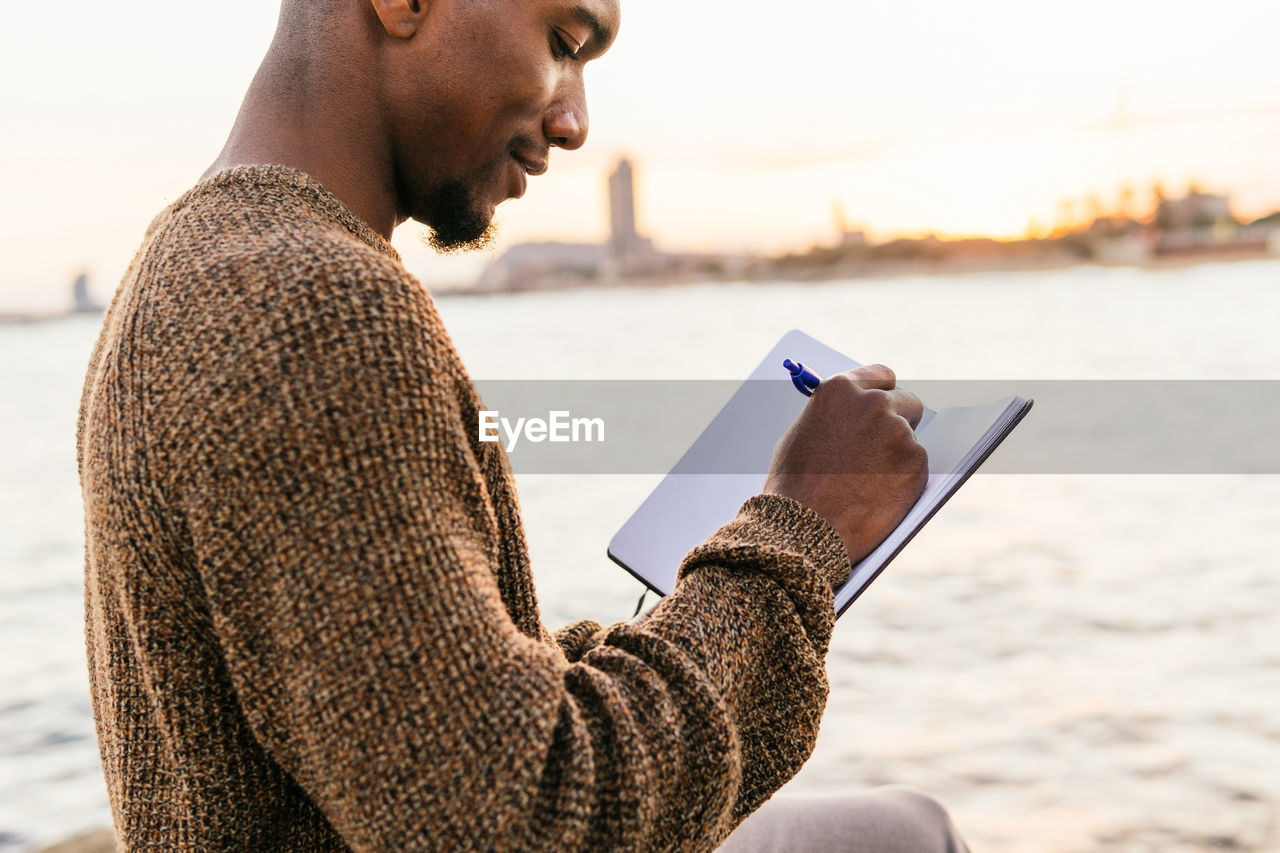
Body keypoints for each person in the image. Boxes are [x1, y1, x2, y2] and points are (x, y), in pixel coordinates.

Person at [77, 0, 970, 850]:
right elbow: (524, 821)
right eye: (563, 41)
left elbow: (398, 708)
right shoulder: (315, 308)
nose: (575, 122)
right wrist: (797, 531)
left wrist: (699, 590)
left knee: (904, 828)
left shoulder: (185, 261)